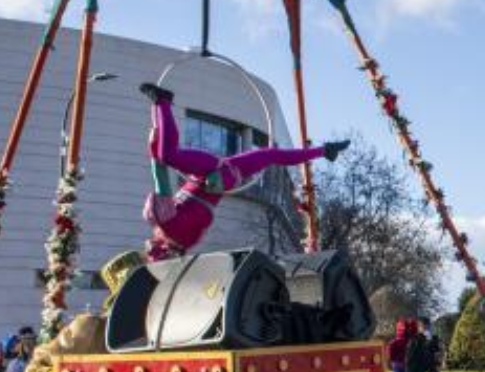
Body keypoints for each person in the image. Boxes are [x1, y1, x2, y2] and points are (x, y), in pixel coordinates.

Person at [139, 81, 348, 262]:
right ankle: (163, 100)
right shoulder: (166, 223)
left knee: (271, 155)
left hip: (222, 176)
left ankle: (325, 151)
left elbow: (161, 170)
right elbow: (159, 169)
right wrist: (156, 120)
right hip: (214, 174)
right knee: (168, 155)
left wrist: (156, 121)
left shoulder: (186, 237)